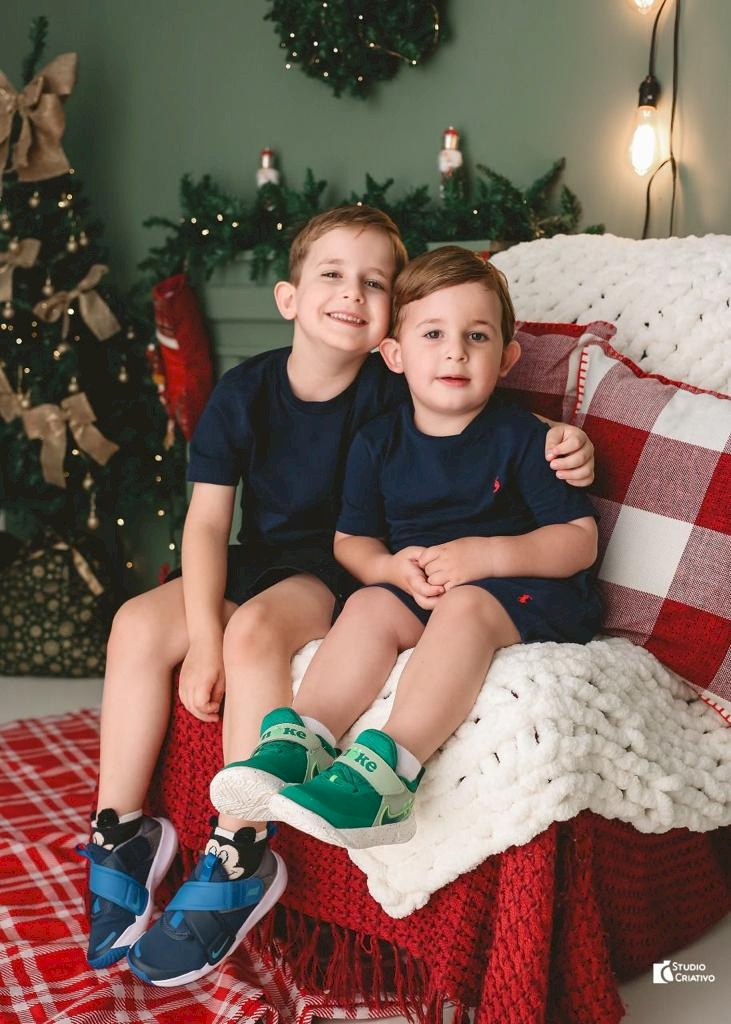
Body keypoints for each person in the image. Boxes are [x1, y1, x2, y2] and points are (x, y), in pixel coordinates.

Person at [77, 209, 594, 986]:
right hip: (266, 557)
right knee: (136, 624)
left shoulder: (390, 386)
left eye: (374, 283)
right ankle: (121, 832)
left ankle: (239, 850)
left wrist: (563, 435)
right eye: (332, 276)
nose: (352, 294)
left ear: (389, 321)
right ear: (288, 297)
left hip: (335, 569)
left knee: (255, 629)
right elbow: (207, 525)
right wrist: (200, 640)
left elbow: (471, 402)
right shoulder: (245, 392)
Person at [213, 246, 603, 851]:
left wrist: (486, 557)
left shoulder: (525, 439)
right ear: (394, 355)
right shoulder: (378, 443)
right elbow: (352, 541)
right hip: (420, 586)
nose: (455, 351)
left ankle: (389, 776)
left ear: (506, 358)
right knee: (368, 604)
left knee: (465, 606)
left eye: (477, 336)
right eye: (433, 334)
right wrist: (390, 568)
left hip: (522, 592)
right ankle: (303, 741)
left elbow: (579, 541)